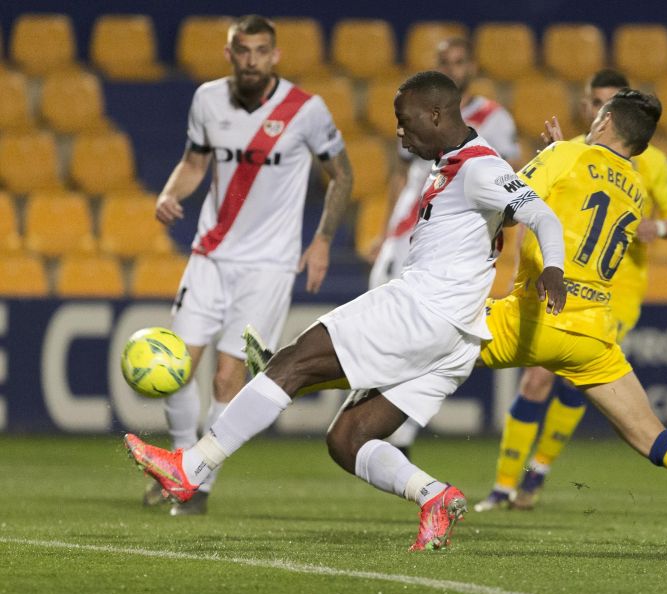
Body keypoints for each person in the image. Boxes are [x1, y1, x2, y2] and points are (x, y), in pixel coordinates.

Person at [243, 89, 667, 552]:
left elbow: (510, 201)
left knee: (422, 341)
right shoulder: (634, 191)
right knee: (652, 434)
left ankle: (289, 371)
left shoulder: (568, 156)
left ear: (602, 121)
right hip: (590, 335)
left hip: (527, 316)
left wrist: (552, 155)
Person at [124, 70, 568, 551]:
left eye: (405, 119)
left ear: (437, 114)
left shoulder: (479, 167)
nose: (399, 131)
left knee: (293, 362)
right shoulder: (456, 164)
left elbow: (540, 213)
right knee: (346, 439)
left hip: (423, 309)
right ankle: (434, 497)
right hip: (456, 338)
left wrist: (554, 268)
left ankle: (190, 468)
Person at [143, 14, 353, 516]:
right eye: (243, 50)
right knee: (175, 369)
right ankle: (179, 462)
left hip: (270, 266)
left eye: (261, 51)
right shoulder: (207, 100)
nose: (252, 60)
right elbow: (195, 163)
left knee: (225, 378)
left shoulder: (306, 109)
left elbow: (342, 175)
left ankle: (198, 484)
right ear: (229, 53)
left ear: (275, 56)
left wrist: (322, 239)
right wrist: (171, 193)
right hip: (210, 255)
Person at [476, 69, 667, 511]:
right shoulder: (573, 150)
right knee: (537, 380)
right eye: (593, 102)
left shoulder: (651, 164)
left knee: (574, 386)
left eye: (604, 105)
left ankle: (535, 474)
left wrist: (661, 227)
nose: (595, 111)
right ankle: (504, 485)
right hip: (561, 287)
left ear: (615, 117)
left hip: (617, 294)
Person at [368, 37, 522, 456]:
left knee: (421, 337)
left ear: (472, 66)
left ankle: (398, 438)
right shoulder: (418, 109)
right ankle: (379, 424)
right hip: (406, 231)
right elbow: (400, 177)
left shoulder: (494, 118)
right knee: (385, 327)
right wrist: (383, 233)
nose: (454, 69)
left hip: (452, 240)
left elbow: (512, 186)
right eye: (445, 62)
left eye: (459, 62)